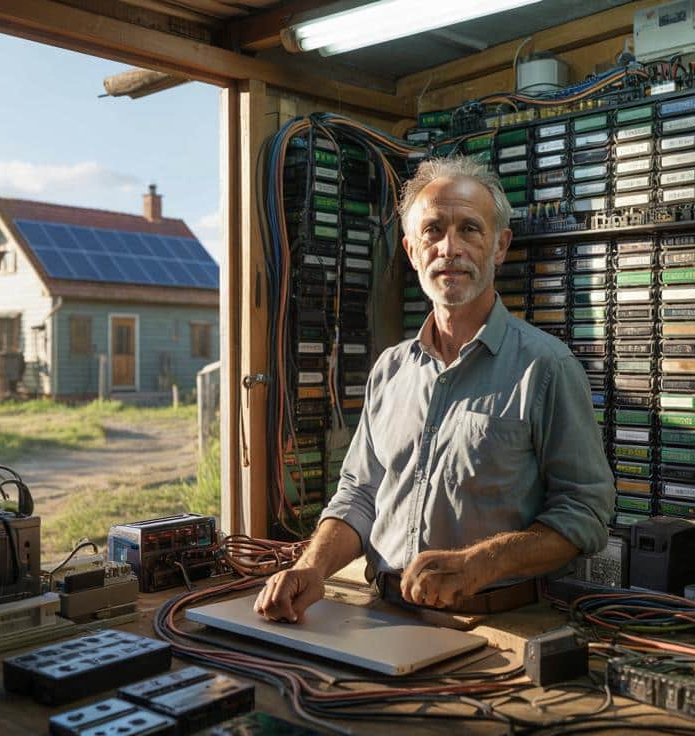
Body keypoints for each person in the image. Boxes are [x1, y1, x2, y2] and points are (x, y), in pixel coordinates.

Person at [256, 156, 614, 623]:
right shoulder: (390, 370)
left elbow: (586, 514)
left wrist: (482, 563)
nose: (450, 248)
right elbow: (360, 495)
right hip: (380, 612)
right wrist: (311, 566)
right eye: (432, 231)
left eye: (470, 229)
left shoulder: (547, 368)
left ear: (500, 246)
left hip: (493, 627)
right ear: (411, 251)